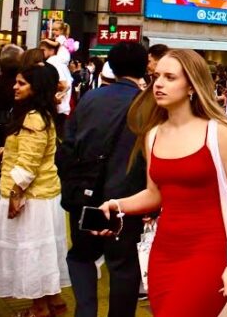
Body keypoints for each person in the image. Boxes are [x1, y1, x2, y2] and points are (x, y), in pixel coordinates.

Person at [99, 49, 227, 316]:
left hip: (210, 251)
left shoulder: (221, 134)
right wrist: (116, 205)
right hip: (164, 251)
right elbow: (155, 194)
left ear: (191, 84)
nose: (159, 84)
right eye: (156, 77)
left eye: (170, 77)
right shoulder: (153, 134)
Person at [59, 42, 150, 317]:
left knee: (82, 255)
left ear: (110, 65)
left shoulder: (90, 98)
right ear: (145, 67)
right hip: (127, 201)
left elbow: (68, 147)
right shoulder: (148, 105)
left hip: (86, 195)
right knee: (122, 266)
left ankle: (85, 311)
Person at [0, 64, 70, 316]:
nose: (15, 87)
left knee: (31, 253)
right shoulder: (41, 115)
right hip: (42, 196)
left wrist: (15, 195)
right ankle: (54, 302)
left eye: (22, 83)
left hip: (30, 198)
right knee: (42, 253)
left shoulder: (33, 118)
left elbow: (27, 166)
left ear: (36, 88)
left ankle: (39, 308)